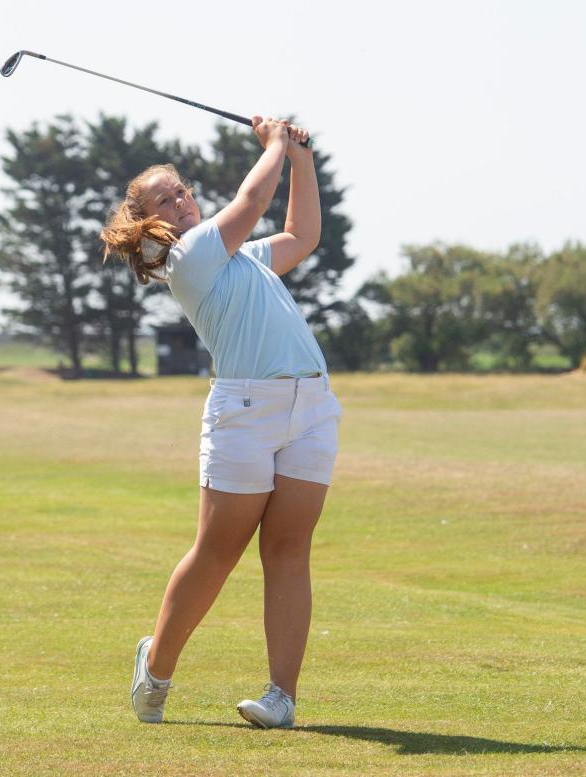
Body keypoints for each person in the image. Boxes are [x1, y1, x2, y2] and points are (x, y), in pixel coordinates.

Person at [99, 117, 341, 729]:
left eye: (181, 191)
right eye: (165, 198)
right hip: (244, 413)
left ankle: (281, 697)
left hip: (310, 408)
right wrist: (276, 146)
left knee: (289, 550)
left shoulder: (243, 257)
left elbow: (301, 233)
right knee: (218, 552)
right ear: (149, 219)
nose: (180, 200)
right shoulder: (189, 255)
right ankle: (155, 668)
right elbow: (254, 199)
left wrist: (303, 161)